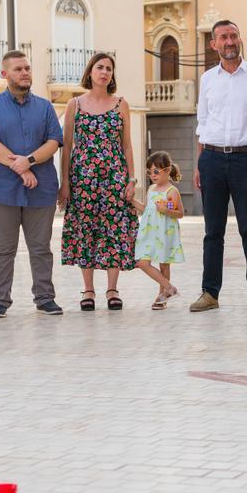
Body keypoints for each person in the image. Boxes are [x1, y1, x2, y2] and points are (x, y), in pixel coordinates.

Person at [189, 20, 247, 313]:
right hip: (212, 158)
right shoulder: (208, 80)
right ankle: (209, 293)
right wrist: (199, 164)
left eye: (233, 35)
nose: (229, 41)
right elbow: (202, 123)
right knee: (212, 230)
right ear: (214, 44)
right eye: (223, 37)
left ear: (239, 39)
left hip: (245, 159)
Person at [0, 51, 64, 318]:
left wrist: (30, 161)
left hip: (42, 188)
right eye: (18, 69)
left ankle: (45, 298)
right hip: (1, 189)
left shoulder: (45, 107)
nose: (25, 73)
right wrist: (20, 167)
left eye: (27, 68)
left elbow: (53, 142)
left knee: (40, 248)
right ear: (5, 74)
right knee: (3, 248)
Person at [58, 52, 138, 311]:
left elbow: (126, 146)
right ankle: (88, 290)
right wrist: (65, 183)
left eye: (109, 69)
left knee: (113, 230)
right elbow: (67, 146)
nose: (104, 72)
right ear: (90, 71)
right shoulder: (75, 105)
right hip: (82, 179)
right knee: (85, 231)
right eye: (100, 67)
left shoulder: (121, 104)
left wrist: (131, 179)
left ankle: (112, 289)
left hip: (114, 178)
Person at [133, 151, 185, 310]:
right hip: (149, 232)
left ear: (167, 171)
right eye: (149, 172)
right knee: (142, 262)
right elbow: (147, 209)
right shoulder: (151, 189)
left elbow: (180, 213)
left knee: (164, 265)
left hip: (165, 231)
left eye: (156, 171)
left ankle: (162, 297)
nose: (152, 175)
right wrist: (132, 201)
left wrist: (166, 210)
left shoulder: (171, 192)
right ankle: (170, 288)